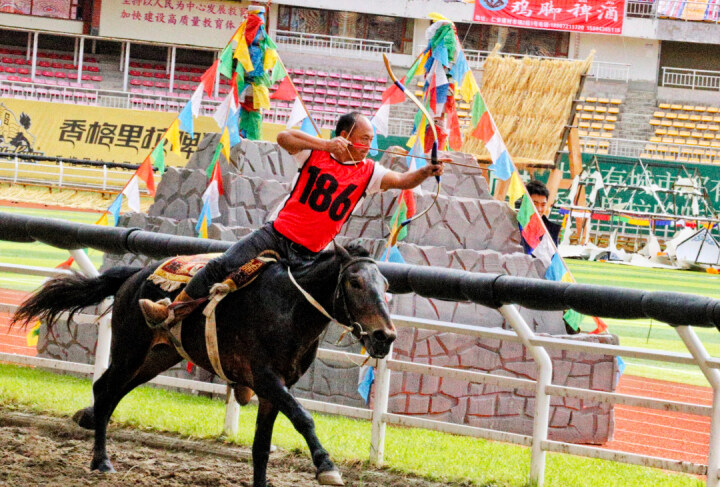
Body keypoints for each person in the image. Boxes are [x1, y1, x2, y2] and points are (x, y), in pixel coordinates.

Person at [139, 111, 445, 326]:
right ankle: (171, 311)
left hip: (311, 254)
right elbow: (284, 137)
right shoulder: (315, 153)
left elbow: (403, 180)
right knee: (223, 265)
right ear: (345, 137)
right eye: (364, 138)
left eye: (371, 139)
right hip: (277, 235)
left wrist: (426, 171)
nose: (369, 145)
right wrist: (326, 145)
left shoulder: (370, 172)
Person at [523, 180, 561, 252]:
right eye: (535, 204)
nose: (539, 209)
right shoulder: (514, 226)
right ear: (524, 202)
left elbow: (553, 256)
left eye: (543, 205)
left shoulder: (551, 230)